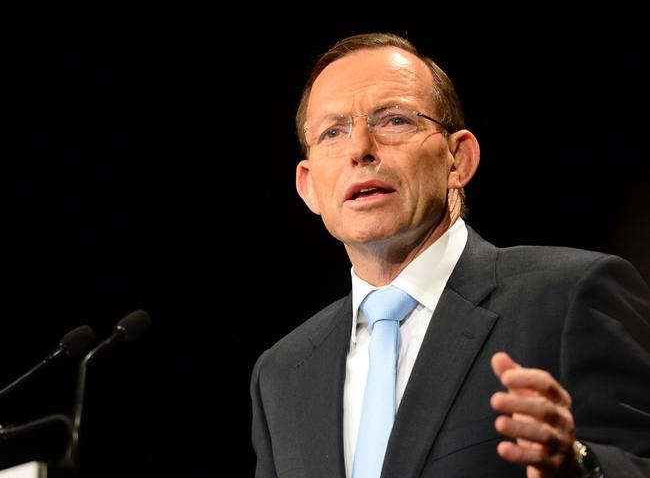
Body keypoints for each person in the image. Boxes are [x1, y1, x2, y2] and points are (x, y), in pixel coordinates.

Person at [249, 32, 650, 477]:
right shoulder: (282, 373)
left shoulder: (570, 296)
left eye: (394, 120)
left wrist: (580, 465)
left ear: (458, 159)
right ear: (308, 186)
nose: (360, 150)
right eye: (333, 132)